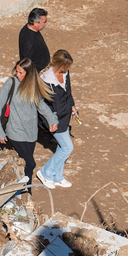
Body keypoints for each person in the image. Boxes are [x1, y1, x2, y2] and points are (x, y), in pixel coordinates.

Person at [0, 58, 58, 182]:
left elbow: (41, 105)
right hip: (15, 131)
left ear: (29, 73)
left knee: (24, 165)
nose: (17, 75)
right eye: (17, 71)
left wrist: (52, 120)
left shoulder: (34, 85)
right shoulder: (11, 83)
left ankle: (24, 193)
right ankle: (25, 191)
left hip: (31, 133)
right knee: (30, 163)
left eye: (21, 72)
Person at [37, 50, 78, 189]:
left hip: (65, 115)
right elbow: (42, 105)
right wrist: (51, 121)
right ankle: (45, 173)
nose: (67, 70)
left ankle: (57, 177)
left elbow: (68, 92)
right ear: (58, 64)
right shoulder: (45, 80)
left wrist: (72, 106)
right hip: (54, 118)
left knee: (62, 147)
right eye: (65, 67)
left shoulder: (65, 73)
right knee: (67, 148)